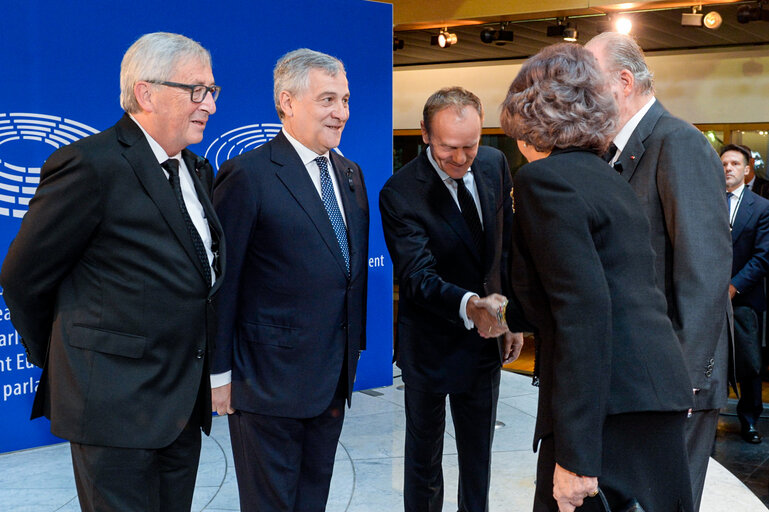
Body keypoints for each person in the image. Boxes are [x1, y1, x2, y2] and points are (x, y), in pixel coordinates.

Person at [0, 32, 223, 511]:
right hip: (111, 407)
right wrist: (68, 357)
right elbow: (23, 276)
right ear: (146, 92)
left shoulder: (197, 170)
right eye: (197, 90)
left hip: (181, 406)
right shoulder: (90, 166)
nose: (210, 104)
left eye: (212, 91)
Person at [497, 42, 695, 512]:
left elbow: (584, 314)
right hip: (650, 392)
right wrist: (506, 309)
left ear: (526, 109)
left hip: (608, 407)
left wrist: (577, 458)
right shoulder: (608, 176)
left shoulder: (543, 181)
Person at [211, 48, 369, 512]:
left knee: (311, 502)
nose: (340, 112)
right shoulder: (248, 175)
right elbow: (223, 284)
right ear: (287, 101)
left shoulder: (350, 173)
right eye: (326, 100)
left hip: (332, 381)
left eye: (344, 99)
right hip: (266, 386)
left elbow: (346, 275)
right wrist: (220, 375)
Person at [585, 32, 732, 510]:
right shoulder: (621, 151)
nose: (582, 96)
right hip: (640, 376)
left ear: (623, 82)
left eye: (591, 83)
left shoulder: (678, 144)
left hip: (674, 383)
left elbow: (704, 273)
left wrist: (686, 379)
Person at [379, 86, 524, 512]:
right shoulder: (401, 192)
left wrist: (509, 316)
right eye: (448, 148)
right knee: (424, 461)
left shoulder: (496, 164)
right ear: (425, 134)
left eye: (470, 146)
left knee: (478, 456)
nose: (461, 158)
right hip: (430, 344)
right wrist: (470, 306)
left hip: (485, 344)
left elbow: (505, 249)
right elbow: (417, 277)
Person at [722, 143, 769, 444]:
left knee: (749, 363)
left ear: (747, 169)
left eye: (734, 164)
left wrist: (733, 286)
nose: (728, 168)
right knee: (710, 360)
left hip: (744, 299)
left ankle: (749, 419)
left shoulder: (761, 207)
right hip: (707, 297)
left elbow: (763, 257)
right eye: (724, 163)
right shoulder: (706, 202)